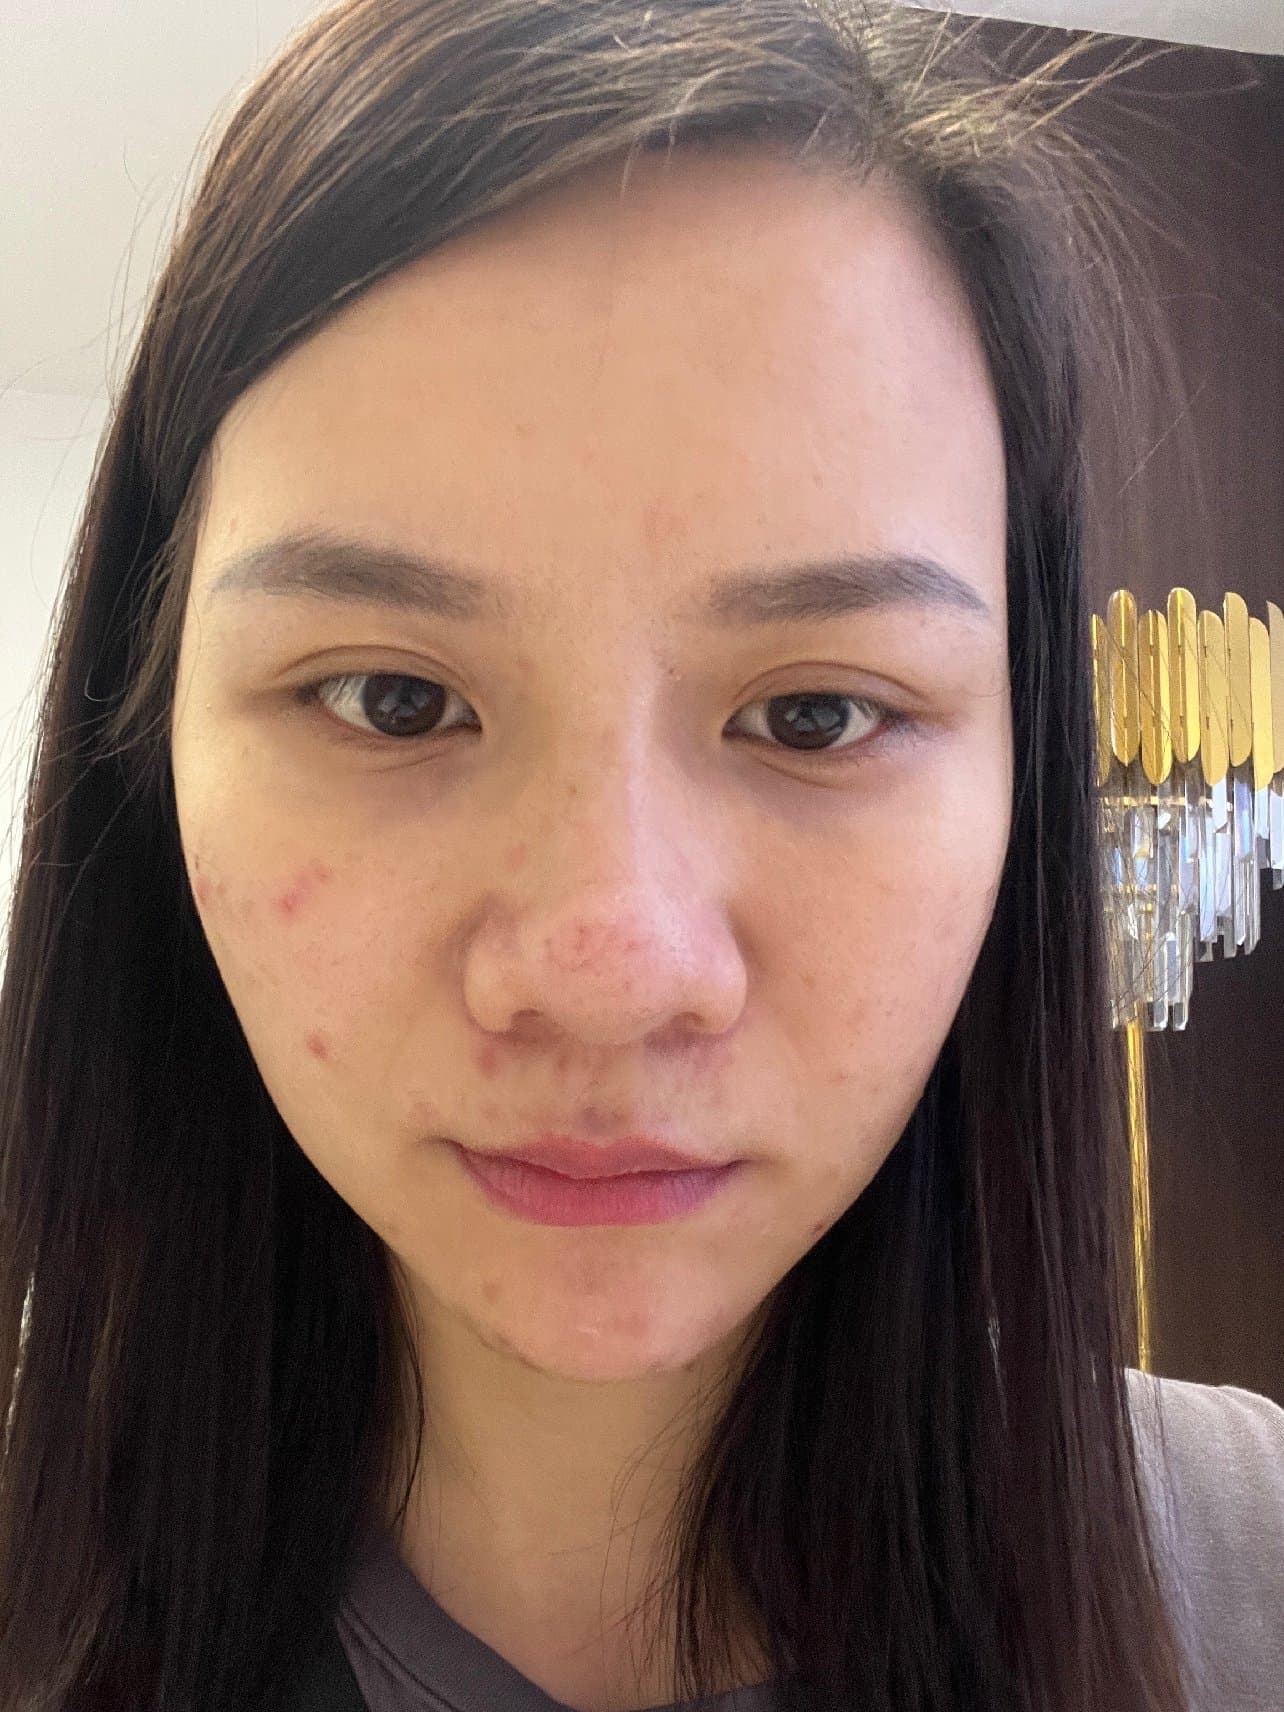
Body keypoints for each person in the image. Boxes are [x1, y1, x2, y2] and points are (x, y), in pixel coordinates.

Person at [1, 1, 1281, 1709]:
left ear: (1018, 780)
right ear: (147, 749)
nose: (610, 969)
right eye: (393, 699)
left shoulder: (1249, 1579)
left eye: (817, 715)